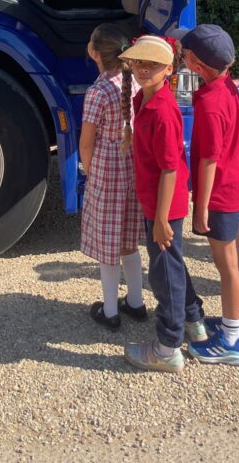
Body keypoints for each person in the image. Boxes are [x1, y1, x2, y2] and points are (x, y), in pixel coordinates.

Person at [118, 35, 206, 373]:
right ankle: (194, 323)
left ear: (170, 69)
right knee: (173, 265)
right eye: (139, 62)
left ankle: (168, 346)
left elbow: (171, 168)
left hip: (163, 207)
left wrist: (160, 218)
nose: (143, 68)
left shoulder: (163, 109)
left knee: (164, 273)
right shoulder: (145, 99)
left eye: (152, 64)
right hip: (157, 204)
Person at [177, 25, 239, 366]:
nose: (181, 58)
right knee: (234, 261)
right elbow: (186, 92)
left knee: (227, 268)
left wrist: (200, 207)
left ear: (195, 61)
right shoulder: (226, 88)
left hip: (220, 194)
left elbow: (207, 160)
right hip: (237, 186)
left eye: (185, 54)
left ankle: (231, 340)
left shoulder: (209, 104)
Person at [79, 24, 146, 330]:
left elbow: (86, 142)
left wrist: (90, 172)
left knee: (108, 245)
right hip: (130, 166)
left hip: (107, 170)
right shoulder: (132, 83)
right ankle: (136, 302)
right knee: (128, 241)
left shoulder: (97, 91)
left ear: (94, 52)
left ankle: (110, 311)